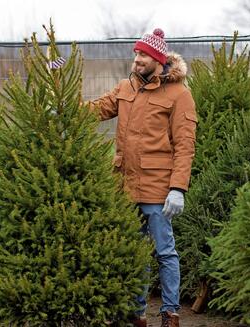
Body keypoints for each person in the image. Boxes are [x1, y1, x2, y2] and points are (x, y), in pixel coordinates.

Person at [89, 28, 197, 327]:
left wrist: (177, 188)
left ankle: (170, 313)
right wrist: (62, 109)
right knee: (134, 254)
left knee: (164, 252)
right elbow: (98, 108)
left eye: (143, 55)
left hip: (158, 188)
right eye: (136, 53)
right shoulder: (126, 87)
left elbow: (185, 145)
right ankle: (137, 315)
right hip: (124, 186)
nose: (137, 59)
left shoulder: (179, 94)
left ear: (158, 60)